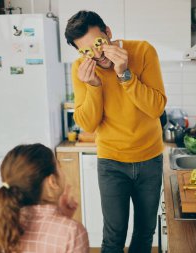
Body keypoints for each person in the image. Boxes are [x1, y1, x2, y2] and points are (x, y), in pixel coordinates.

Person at [64, 10, 166, 253]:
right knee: (114, 235)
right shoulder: (81, 69)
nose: (96, 54)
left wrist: (124, 74)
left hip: (149, 159)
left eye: (98, 44)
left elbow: (156, 108)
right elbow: (88, 124)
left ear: (108, 33)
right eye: (86, 51)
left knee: (144, 232)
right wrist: (94, 86)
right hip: (111, 163)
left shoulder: (142, 51)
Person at [0, 143, 89, 253]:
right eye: (59, 166)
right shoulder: (72, 232)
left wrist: (62, 215)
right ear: (52, 182)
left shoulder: (3, 227)